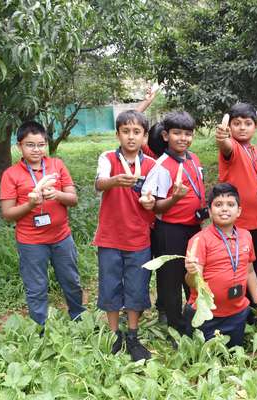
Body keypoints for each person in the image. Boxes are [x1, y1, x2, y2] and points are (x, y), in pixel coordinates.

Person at [0, 121, 85, 332]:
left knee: (71, 281)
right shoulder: (11, 174)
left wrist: (58, 194)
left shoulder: (57, 165)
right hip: (31, 242)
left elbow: (73, 199)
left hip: (62, 237)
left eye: (40, 144)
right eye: (30, 145)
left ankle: (79, 319)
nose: (36, 149)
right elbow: (7, 214)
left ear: (46, 143)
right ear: (19, 146)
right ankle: (40, 328)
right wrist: (29, 204)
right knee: (36, 287)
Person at [93, 110, 157, 360]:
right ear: (117, 134)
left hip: (139, 237)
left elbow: (151, 197)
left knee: (137, 286)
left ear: (144, 136)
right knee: (109, 285)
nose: (131, 137)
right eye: (126, 131)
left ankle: (132, 334)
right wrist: (114, 181)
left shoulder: (151, 165)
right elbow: (100, 182)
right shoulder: (108, 158)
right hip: (109, 237)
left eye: (137, 132)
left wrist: (150, 202)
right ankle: (113, 334)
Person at [142, 111, 206, 336]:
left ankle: (192, 319)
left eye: (188, 134)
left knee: (192, 274)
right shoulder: (161, 166)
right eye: (177, 133)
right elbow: (155, 207)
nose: (183, 138)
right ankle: (174, 326)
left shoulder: (193, 158)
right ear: (166, 135)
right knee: (170, 278)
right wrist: (176, 198)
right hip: (170, 229)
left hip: (193, 227)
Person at [184, 183, 257, 347]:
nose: (224, 209)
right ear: (209, 211)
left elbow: (249, 271)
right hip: (206, 315)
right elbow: (192, 282)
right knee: (205, 362)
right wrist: (191, 272)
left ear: (239, 211)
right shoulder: (199, 240)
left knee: (232, 357)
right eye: (218, 205)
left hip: (237, 314)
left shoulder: (246, 236)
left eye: (230, 205)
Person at [215, 103, 257, 322]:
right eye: (237, 124)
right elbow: (225, 145)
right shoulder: (233, 147)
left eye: (247, 123)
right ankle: (237, 312)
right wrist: (222, 137)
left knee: (254, 267)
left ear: (256, 126)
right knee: (237, 268)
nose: (242, 128)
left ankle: (253, 306)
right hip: (237, 224)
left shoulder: (254, 150)